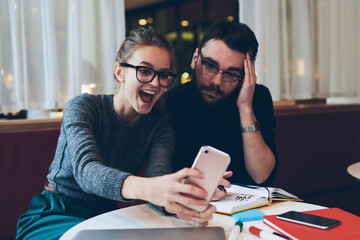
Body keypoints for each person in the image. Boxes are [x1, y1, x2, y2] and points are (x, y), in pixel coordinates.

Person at [16, 26, 228, 240]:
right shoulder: (83, 108)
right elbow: (87, 172)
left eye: (163, 75)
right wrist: (150, 188)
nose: (155, 83)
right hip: (54, 212)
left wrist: (185, 200)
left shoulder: (159, 129)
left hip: (105, 216)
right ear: (120, 72)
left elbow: (158, 180)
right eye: (145, 71)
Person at [165, 20, 278, 186]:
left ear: (245, 77)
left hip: (246, 207)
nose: (217, 81)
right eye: (210, 66)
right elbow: (162, 176)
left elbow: (261, 175)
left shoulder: (257, 97)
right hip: (189, 204)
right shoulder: (172, 100)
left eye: (231, 75)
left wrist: (245, 108)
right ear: (195, 58)